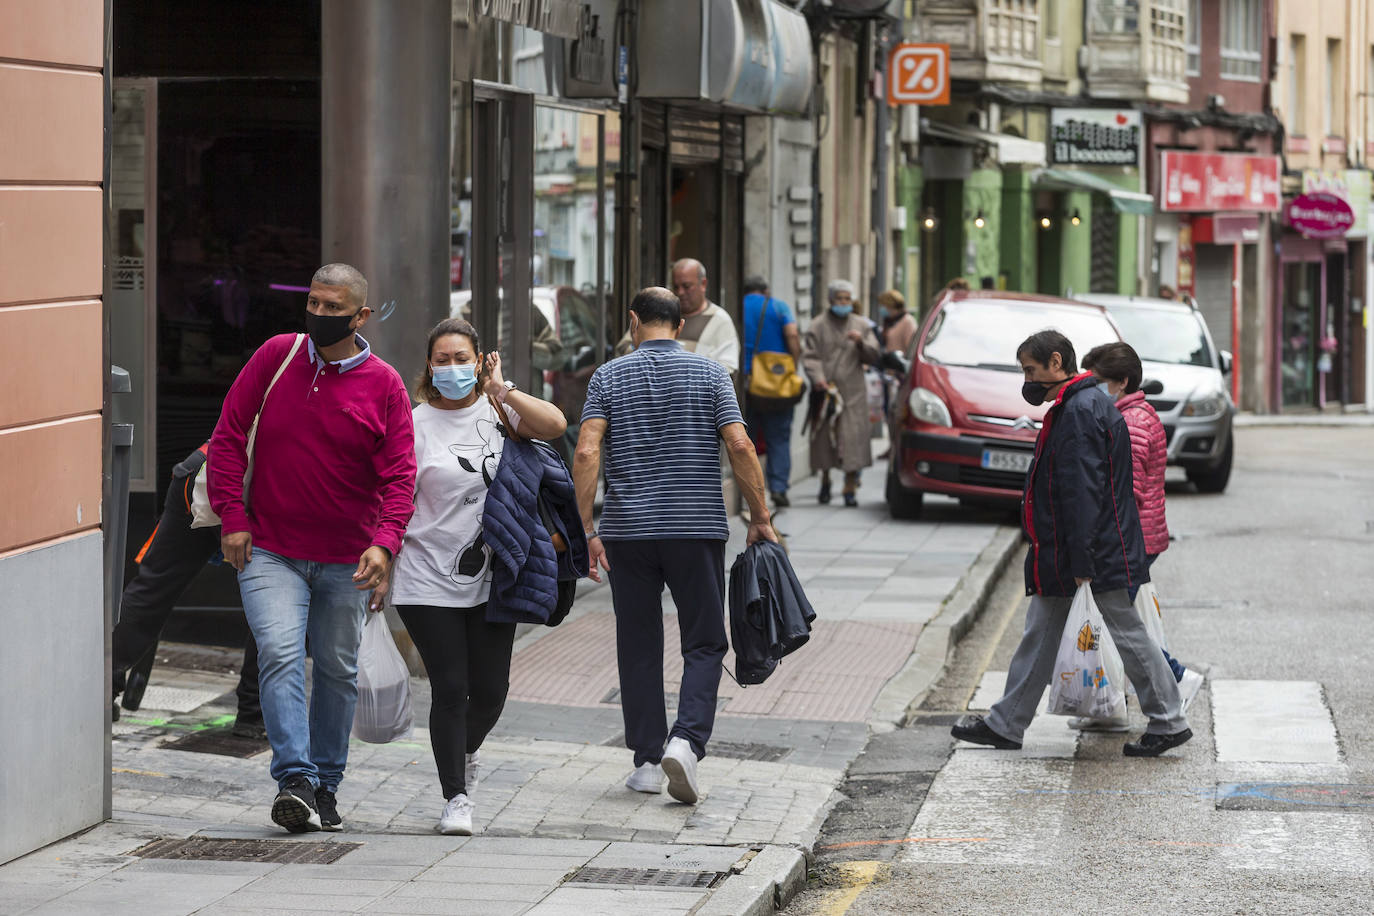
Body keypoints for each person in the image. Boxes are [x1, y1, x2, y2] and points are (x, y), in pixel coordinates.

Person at [209, 263, 417, 833]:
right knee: (279, 653)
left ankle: (325, 785)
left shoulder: (386, 385)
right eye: (314, 304)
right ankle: (294, 778)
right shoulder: (277, 354)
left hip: (347, 558)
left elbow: (401, 475)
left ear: (361, 316)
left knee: (336, 669)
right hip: (269, 548)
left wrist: (385, 543)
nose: (321, 316)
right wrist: (233, 515)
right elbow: (228, 434)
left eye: (334, 309)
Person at [573, 287, 778, 805]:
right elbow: (739, 444)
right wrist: (760, 517)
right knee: (705, 641)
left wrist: (586, 529)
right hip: (695, 529)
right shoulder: (711, 375)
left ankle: (645, 762)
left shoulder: (608, 376)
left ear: (634, 321)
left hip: (628, 533)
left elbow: (586, 448)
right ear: (681, 326)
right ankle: (685, 742)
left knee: (638, 643)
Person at [951, 330, 1191, 758]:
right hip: (1073, 548)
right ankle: (1007, 724)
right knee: (1040, 631)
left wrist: (1082, 559)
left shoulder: (1081, 410)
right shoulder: (1079, 405)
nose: (1026, 380)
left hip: (1091, 550)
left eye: (1031, 370)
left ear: (1056, 363)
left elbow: (1083, 491)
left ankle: (1169, 720)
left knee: (1129, 634)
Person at [381, 317, 569, 837]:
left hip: (497, 573)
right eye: (442, 359)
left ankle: (463, 753)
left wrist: (499, 389)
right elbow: (393, 499)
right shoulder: (413, 424)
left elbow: (555, 425)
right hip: (425, 576)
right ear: (428, 366)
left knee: (490, 691)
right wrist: (382, 561)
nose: (452, 368)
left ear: (480, 360)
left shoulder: (500, 412)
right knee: (451, 685)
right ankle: (455, 797)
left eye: (462, 358)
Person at [1079, 342, 1204, 728]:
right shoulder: (1132, 413)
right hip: (1140, 535)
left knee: (1123, 625)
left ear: (1122, 381)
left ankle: (1176, 680)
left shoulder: (1130, 422)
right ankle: (1112, 703)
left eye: (1097, 382)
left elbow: (1125, 490)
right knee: (1127, 623)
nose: (1091, 389)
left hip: (1132, 537)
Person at [111, 442, 262, 739]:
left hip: (199, 469)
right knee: (275, 595)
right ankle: (254, 713)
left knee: (153, 588)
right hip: (239, 482)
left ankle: (100, 689)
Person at [801, 279, 882, 507]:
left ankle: (850, 485)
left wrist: (861, 343)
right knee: (824, 437)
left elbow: (874, 354)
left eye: (847, 299)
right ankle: (825, 481)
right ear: (830, 300)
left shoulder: (861, 325)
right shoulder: (817, 325)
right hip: (826, 391)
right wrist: (818, 380)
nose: (844, 303)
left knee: (853, 437)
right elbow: (810, 356)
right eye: (839, 299)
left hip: (853, 392)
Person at [613, 259, 739, 372]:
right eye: (675, 286)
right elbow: (623, 349)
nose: (680, 292)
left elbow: (727, 370)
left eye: (687, 286)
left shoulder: (719, 320)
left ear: (703, 284)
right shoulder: (655, 311)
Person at [741, 275, 802, 508]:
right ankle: (778, 487)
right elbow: (793, 335)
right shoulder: (778, 306)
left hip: (746, 382)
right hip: (776, 384)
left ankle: (751, 491)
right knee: (779, 437)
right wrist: (792, 367)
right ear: (765, 290)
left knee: (747, 440)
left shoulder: (738, 306)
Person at [878, 289, 917, 356]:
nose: (881, 308)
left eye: (883, 305)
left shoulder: (908, 321)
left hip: (899, 364)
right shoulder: (889, 321)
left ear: (890, 305)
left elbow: (911, 348)